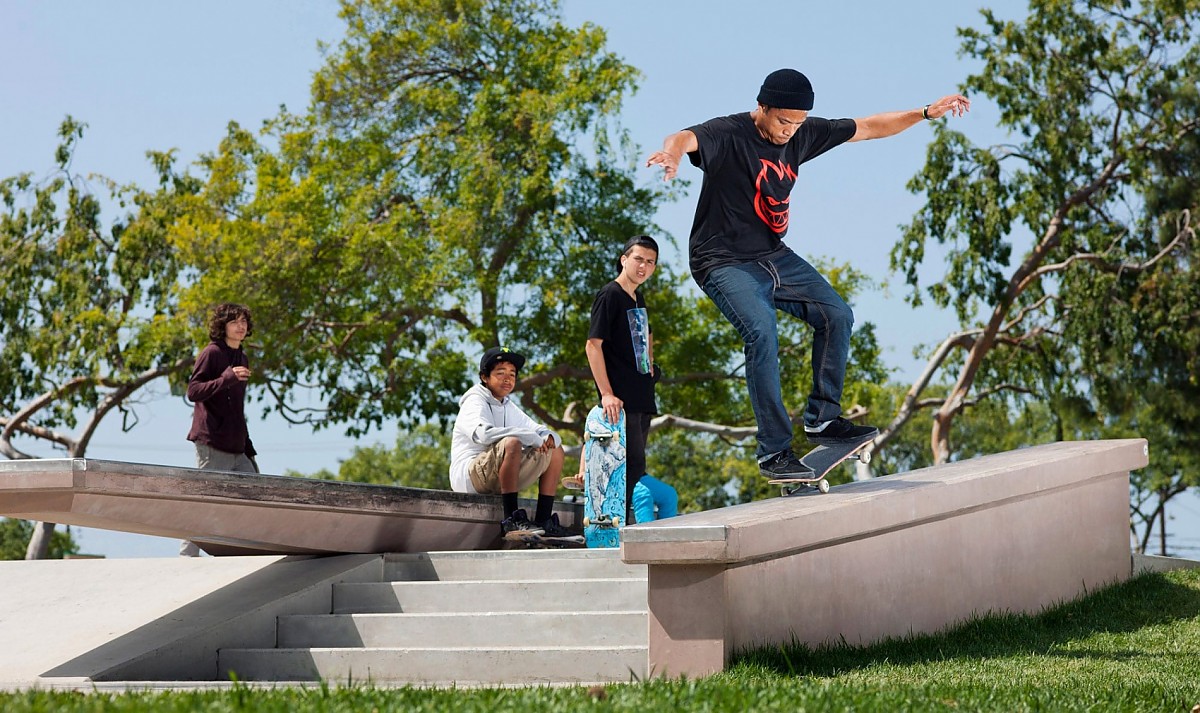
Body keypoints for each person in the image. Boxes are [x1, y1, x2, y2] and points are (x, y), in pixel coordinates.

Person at [646, 69, 970, 478]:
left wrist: (924, 112)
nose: (788, 132)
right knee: (761, 332)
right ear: (761, 108)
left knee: (837, 315)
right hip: (721, 260)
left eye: (797, 124)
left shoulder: (801, 133)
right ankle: (774, 452)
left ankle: (822, 418)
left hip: (773, 256)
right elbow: (684, 137)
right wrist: (672, 155)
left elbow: (868, 127)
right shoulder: (728, 133)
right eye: (782, 122)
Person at [584, 235, 671, 524]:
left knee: (635, 470)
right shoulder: (610, 294)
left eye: (650, 262)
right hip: (619, 404)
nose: (644, 266)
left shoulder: (638, 297)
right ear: (624, 259)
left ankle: (633, 531)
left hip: (641, 398)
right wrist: (606, 393)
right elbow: (592, 345)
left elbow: (647, 332)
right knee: (631, 473)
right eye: (638, 259)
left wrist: (649, 364)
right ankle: (632, 538)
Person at [449, 347, 577, 541]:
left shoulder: (507, 404)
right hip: (469, 478)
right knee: (512, 443)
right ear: (484, 377)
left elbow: (538, 429)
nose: (507, 379)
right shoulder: (474, 401)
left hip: (496, 475)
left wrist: (549, 437)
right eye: (500, 374)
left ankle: (543, 520)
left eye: (512, 374)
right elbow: (483, 435)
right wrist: (527, 436)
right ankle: (511, 520)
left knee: (555, 450)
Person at [182, 302, 259, 556]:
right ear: (222, 326)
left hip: (237, 446)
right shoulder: (211, 353)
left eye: (244, 322)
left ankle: (237, 551)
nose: (241, 326)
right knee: (207, 500)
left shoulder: (242, 357)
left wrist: (247, 445)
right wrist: (226, 378)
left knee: (254, 495)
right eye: (234, 321)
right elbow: (193, 391)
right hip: (212, 443)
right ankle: (187, 555)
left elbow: (236, 406)